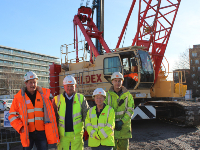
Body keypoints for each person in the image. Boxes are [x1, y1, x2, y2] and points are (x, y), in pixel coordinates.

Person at [9, 71, 59, 150]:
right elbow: (12, 115)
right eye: (30, 82)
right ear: (26, 83)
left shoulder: (43, 96)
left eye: (34, 82)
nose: (33, 85)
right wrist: (20, 127)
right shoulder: (18, 98)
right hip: (27, 132)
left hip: (41, 132)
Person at [53, 75, 90, 150]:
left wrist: (87, 129)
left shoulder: (81, 98)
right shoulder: (57, 99)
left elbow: (87, 115)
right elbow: (54, 117)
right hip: (62, 135)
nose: (70, 88)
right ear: (64, 86)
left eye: (72, 86)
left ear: (75, 86)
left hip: (77, 134)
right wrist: (55, 131)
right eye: (68, 86)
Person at [105, 72, 134, 150]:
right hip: (111, 127)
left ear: (122, 81)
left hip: (124, 127)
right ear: (112, 81)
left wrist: (122, 121)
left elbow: (130, 110)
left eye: (119, 81)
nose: (117, 83)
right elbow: (104, 111)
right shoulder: (107, 96)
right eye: (115, 80)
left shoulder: (128, 96)